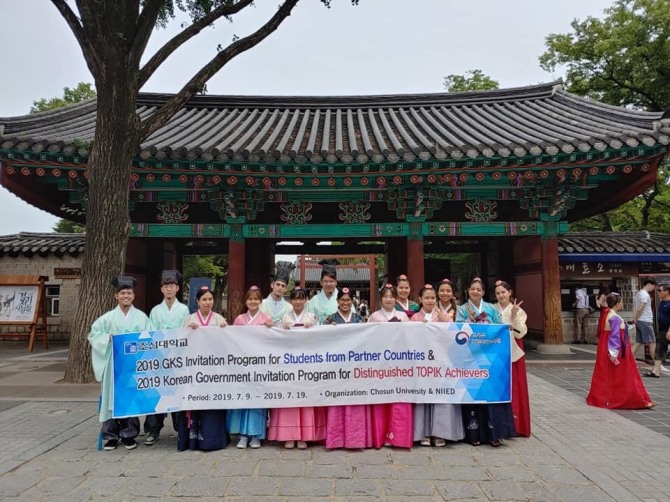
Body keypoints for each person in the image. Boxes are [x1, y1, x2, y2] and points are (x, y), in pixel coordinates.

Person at [88, 275, 151, 451]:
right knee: (111, 399)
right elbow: (93, 335)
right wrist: (107, 338)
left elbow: (149, 338)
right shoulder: (107, 318)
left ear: (133, 295)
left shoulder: (141, 318)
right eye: (122, 293)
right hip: (113, 366)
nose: (126, 296)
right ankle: (111, 435)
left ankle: (129, 435)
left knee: (129, 398)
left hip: (132, 365)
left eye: (129, 293)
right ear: (116, 296)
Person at [457, 277, 515, 447]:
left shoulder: (490, 308)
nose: (475, 291)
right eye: (472, 289)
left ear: (483, 292)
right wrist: (471, 323)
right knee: (473, 393)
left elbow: (498, 325)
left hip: (490, 356)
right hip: (470, 356)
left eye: (479, 289)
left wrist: (503, 328)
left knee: (491, 394)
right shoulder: (461, 309)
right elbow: (458, 328)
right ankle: (473, 433)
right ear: (468, 290)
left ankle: (494, 432)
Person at [269, 287, 324, 449]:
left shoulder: (312, 318)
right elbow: (277, 340)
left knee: (306, 398)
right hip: (290, 364)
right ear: (291, 301)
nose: (298, 302)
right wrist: (280, 329)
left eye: (301, 298)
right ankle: (289, 434)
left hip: (307, 364)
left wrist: (313, 328)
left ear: (306, 300)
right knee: (290, 399)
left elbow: (321, 340)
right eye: (295, 299)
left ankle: (305, 435)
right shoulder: (284, 318)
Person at [411, 283, 464, 447]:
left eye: (432, 298)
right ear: (420, 299)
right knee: (422, 396)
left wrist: (444, 322)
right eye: (426, 298)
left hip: (441, 362)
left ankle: (441, 432)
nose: (429, 301)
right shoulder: (414, 318)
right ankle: (423, 432)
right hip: (421, 363)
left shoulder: (444, 316)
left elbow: (452, 339)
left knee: (441, 395)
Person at [177, 285, 229, 451]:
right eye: (204, 299)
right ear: (197, 301)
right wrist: (187, 331)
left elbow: (227, 343)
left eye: (210, 299)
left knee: (212, 405)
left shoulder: (219, 319)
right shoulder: (190, 319)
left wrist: (225, 331)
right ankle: (192, 439)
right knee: (196, 404)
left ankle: (214, 439)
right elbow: (180, 342)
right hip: (194, 369)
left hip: (213, 371)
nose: (208, 302)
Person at [143, 269, 190, 446]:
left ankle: (180, 430)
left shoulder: (183, 310)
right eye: (166, 286)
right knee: (157, 395)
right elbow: (152, 334)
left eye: (172, 286)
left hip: (177, 359)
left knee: (176, 396)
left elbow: (185, 333)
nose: (169, 289)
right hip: (160, 359)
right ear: (161, 289)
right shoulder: (155, 311)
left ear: (177, 288)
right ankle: (153, 430)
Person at [586, 293, 654, 409]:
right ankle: (627, 398)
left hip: (605, 345)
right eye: (621, 302)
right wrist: (614, 353)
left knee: (606, 373)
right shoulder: (615, 317)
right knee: (623, 373)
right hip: (617, 347)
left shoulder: (607, 313)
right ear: (617, 304)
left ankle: (605, 397)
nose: (622, 303)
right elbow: (615, 336)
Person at [324, 287, 372, 449]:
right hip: (336, 368)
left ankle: (356, 437)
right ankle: (335, 437)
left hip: (355, 367)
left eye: (348, 300)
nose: (345, 303)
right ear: (337, 301)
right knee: (337, 400)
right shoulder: (329, 320)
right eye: (342, 300)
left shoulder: (359, 320)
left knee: (354, 400)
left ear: (352, 301)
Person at [367, 284, 412, 449]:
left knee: (398, 399)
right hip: (380, 364)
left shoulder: (403, 316)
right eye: (385, 296)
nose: (388, 299)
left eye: (391, 296)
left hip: (399, 364)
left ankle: (398, 435)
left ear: (396, 299)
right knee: (382, 398)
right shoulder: (374, 317)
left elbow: (409, 338)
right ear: (381, 299)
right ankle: (381, 434)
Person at [228, 286, 274, 449]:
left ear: (261, 301)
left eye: (256, 299)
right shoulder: (239, 320)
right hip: (243, 365)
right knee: (244, 399)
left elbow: (272, 342)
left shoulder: (266, 319)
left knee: (257, 400)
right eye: (250, 299)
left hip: (260, 365)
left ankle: (256, 435)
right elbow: (232, 341)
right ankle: (242, 435)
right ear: (245, 301)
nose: (253, 301)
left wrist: (271, 328)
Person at [494, 280, 531, 438]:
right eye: (498, 293)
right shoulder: (491, 309)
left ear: (510, 292)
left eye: (503, 292)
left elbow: (520, 333)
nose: (501, 295)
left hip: (513, 354)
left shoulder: (519, 311)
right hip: (494, 354)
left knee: (514, 389)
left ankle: (516, 425)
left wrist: (514, 316)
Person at [632, 277, 658, 374]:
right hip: (645, 321)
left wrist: (635, 319)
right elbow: (640, 308)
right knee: (652, 342)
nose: (654, 288)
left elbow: (635, 307)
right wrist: (636, 318)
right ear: (649, 284)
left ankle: (628, 361)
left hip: (641, 321)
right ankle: (657, 364)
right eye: (654, 286)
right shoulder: (644, 295)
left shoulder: (639, 293)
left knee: (638, 342)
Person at [307, 259, 339, 324]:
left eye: (331, 281)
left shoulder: (343, 299)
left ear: (336, 282)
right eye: (326, 281)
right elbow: (309, 322)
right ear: (321, 282)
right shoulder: (313, 301)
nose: (329, 284)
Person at [656, 284, 670, 375]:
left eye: (660, 291)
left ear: (667, 292)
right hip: (661, 329)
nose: (658, 293)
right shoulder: (661, 302)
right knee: (660, 349)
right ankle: (656, 371)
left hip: (668, 330)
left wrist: (669, 331)